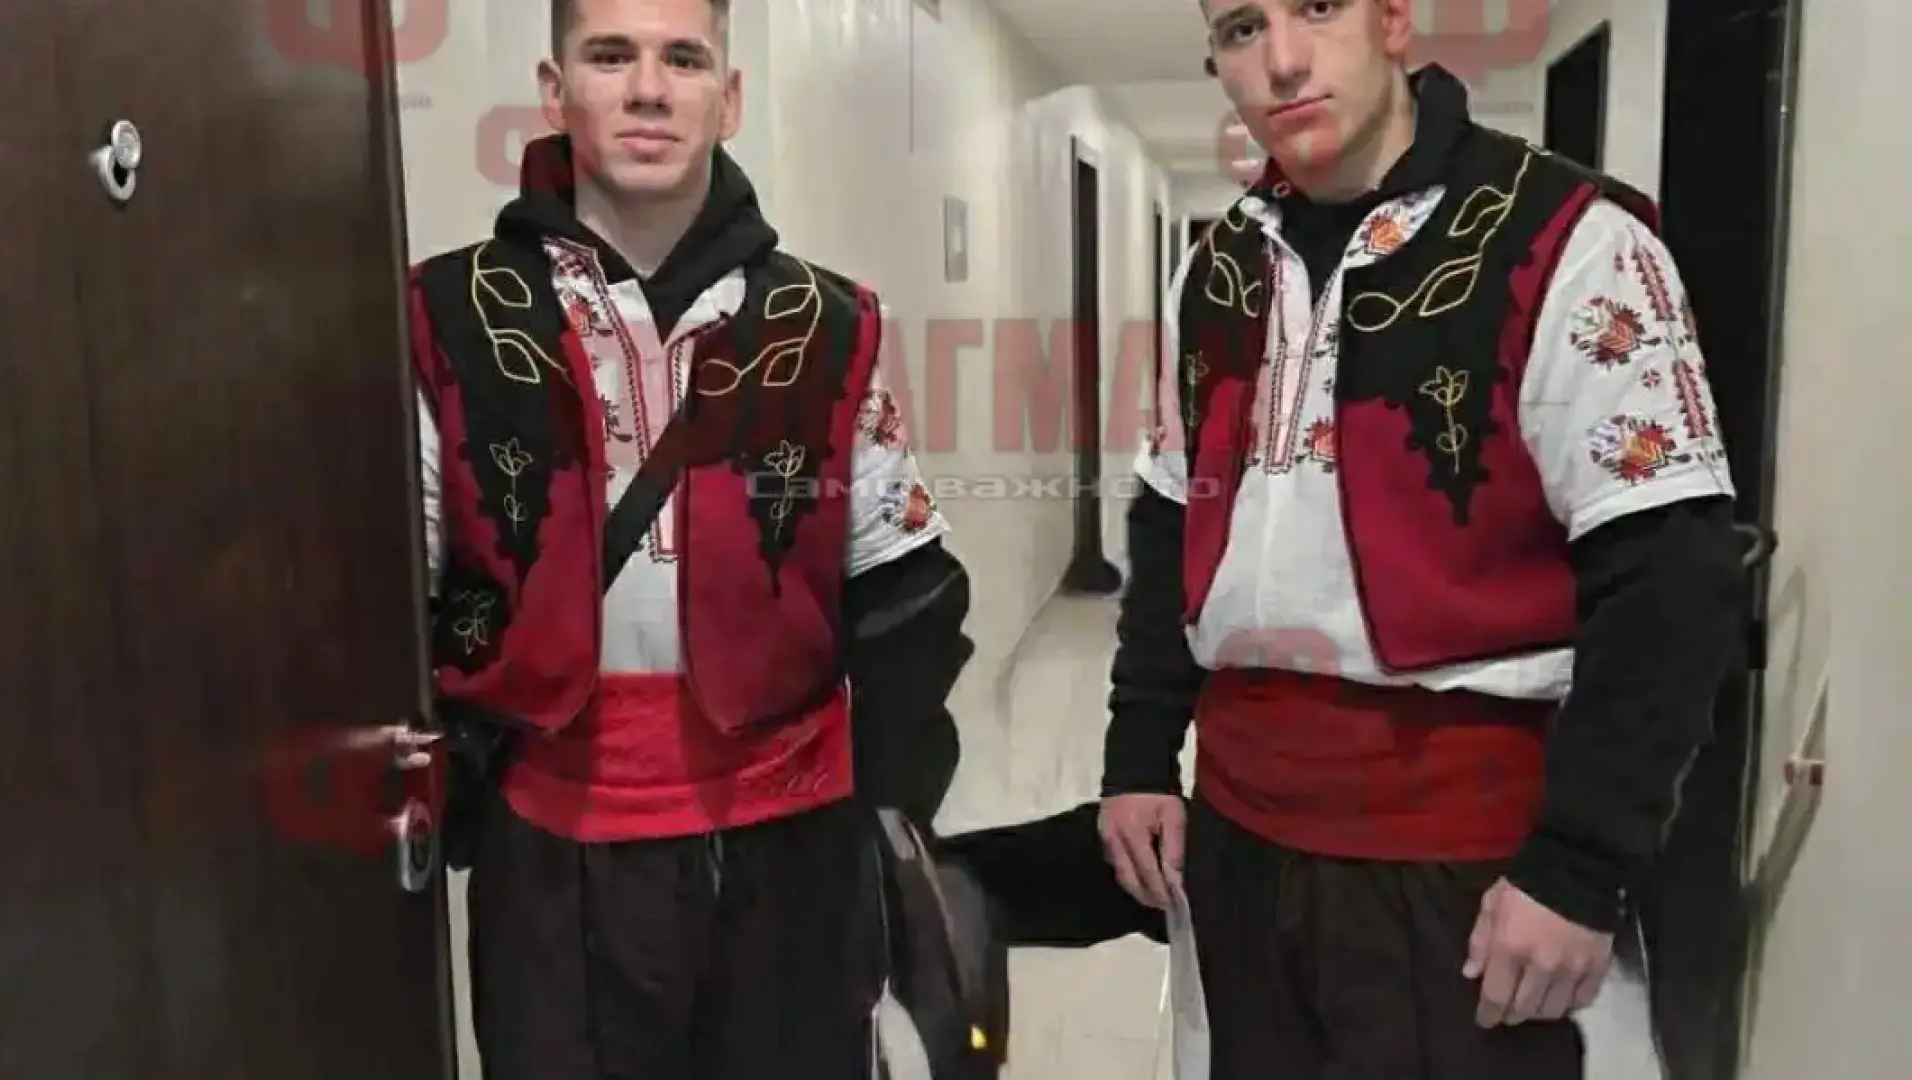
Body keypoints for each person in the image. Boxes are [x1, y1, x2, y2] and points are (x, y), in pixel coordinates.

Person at [1096, 2, 1746, 1078]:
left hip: (1463, 859)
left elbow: (1672, 580)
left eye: (1318, 7)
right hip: (1239, 835)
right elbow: (1174, 525)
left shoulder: (1570, 241)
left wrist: (1577, 867)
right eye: (1244, 27)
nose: (1284, 60)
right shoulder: (1216, 270)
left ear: (1394, 18)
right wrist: (1137, 756)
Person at [407, 0, 971, 1076]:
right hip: (553, 861)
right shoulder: (453, 316)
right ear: (554, 90)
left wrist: (888, 814)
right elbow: (396, 602)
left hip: (791, 852)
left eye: (683, 58)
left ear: (730, 97)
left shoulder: (827, 323)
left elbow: (906, 590)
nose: (649, 90)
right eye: (610, 56)